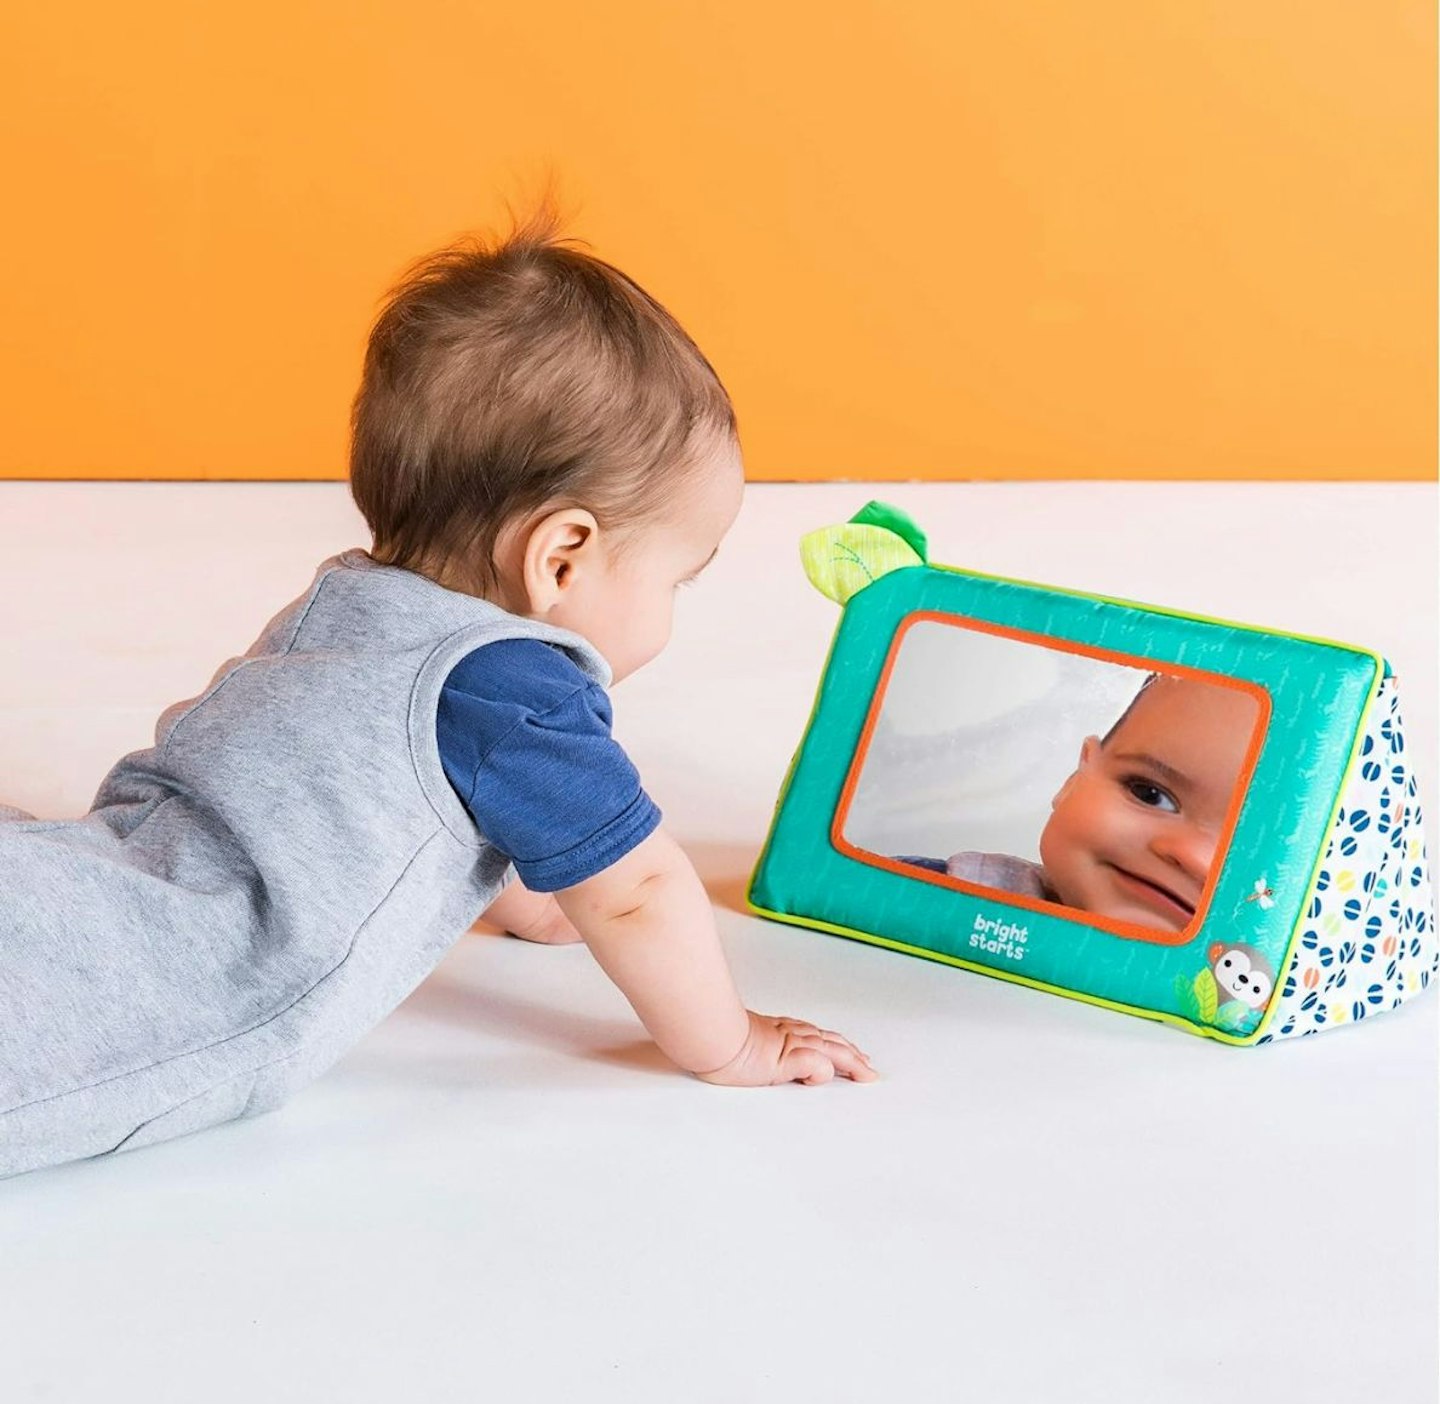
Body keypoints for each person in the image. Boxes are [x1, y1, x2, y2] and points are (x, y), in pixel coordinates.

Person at [0, 206, 876, 1179]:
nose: (672, 611)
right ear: (563, 557)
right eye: (675, 578)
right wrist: (733, 1044)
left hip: (101, 869)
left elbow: (388, 816)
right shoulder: (519, 691)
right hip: (177, 973)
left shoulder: (341, 607)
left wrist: (529, 895)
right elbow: (637, 895)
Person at [896, 672, 1258, 932]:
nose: (1192, 857)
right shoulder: (921, 892)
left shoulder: (1247, 994)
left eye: (1246, 845)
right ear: (1075, 778)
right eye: (1149, 793)